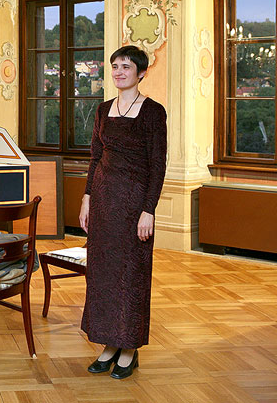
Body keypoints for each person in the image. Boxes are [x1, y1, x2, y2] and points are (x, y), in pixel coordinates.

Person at [78, 45, 167, 379]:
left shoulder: (153, 112)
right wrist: (87, 198)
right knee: (103, 276)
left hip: (133, 207)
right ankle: (108, 344)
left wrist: (149, 210)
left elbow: (158, 165)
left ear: (141, 72)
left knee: (130, 275)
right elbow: (95, 157)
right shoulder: (102, 110)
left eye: (125, 67)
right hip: (102, 202)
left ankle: (129, 348)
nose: (118, 72)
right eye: (114, 66)